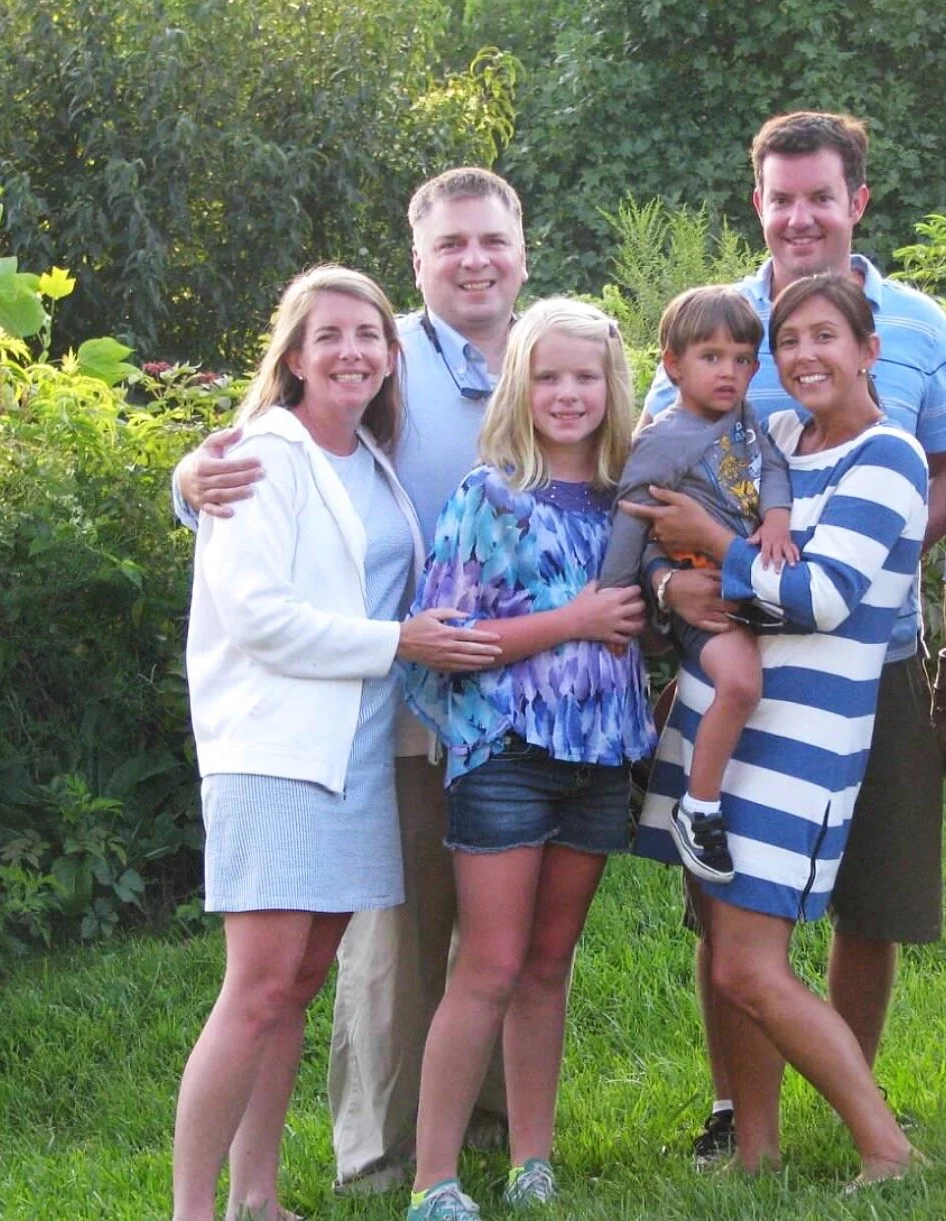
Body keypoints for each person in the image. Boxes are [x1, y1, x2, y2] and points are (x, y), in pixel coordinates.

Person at [172, 168, 524, 1190]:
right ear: (292, 352)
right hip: (285, 749)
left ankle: (256, 1193)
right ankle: (214, 1203)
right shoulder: (273, 451)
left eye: (363, 338)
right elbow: (252, 611)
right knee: (264, 987)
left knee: (298, 981)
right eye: (329, 338)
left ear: (521, 250)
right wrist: (190, 477)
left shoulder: (370, 448)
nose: (354, 352)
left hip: (369, 740)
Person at [642, 110, 946, 1163]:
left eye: (818, 196)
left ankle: (857, 1109)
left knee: (868, 895)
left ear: (856, 201)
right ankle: (747, 1121)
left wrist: (877, 566)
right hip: (740, 664)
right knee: (732, 916)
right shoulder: (718, 326)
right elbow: (663, 470)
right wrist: (673, 586)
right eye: (780, 198)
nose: (799, 216)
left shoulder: (917, 329)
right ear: (758, 203)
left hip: (862, 668)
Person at [628, 273, 928, 1183]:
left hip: (801, 742)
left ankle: (886, 1146)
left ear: (869, 351)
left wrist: (713, 549)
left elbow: (825, 596)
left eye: (825, 337)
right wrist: (664, 582)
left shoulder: (892, 458)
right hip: (716, 722)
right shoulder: (776, 441)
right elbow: (669, 550)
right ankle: (756, 1151)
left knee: (753, 968)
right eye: (789, 340)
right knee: (724, 954)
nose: (805, 356)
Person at [399, 299, 655, 1219]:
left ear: (611, 385)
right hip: (506, 756)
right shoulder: (490, 494)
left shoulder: (636, 500)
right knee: (491, 964)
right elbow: (452, 638)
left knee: (551, 962)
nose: (569, 393)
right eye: (549, 376)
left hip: (599, 762)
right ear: (520, 385)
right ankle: (434, 1179)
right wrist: (573, 620)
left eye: (586, 376)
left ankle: (530, 1161)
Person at [598, 285, 798, 884]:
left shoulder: (744, 418)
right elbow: (632, 515)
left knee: (752, 680)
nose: (729, 373)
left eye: (742, 360)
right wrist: (616, 606)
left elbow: (774, 466)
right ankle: (697, 806)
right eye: (712, 358)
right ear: (673, 364)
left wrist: (777, 515)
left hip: (743, 584)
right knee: (740, 683)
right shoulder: (662, 440)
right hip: (693, 590)